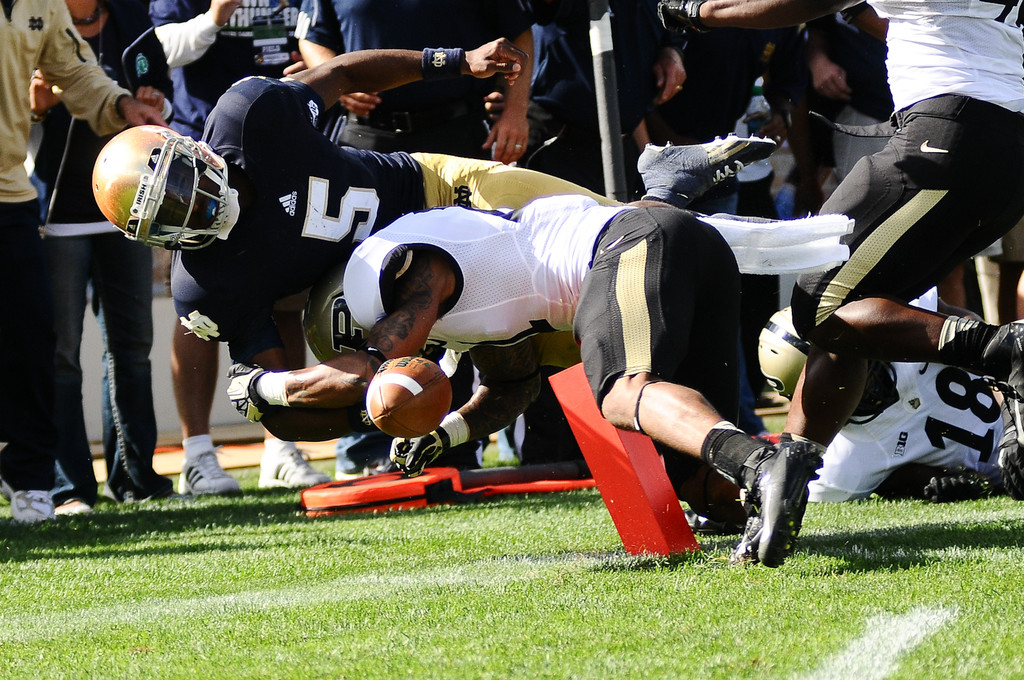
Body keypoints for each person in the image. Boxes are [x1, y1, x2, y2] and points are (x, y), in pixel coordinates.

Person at [222, 197, 853, 565]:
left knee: (622, 392)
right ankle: (749, 493)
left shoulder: (390, 264)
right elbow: (512, 384)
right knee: (691, 476)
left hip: (631, 241)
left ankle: (762, 463)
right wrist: (447, 433)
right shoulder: (455, 305)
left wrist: (265, 388)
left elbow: (366, 371)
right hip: (683, 245)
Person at [658, 0, 1024, 566]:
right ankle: (788, 477)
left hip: (952, 126)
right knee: (860, 316)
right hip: (1004, 144)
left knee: (821, 302)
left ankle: (1003, 350)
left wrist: (704, 11)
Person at [295, 0, 536, 475]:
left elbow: (519, 36)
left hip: (455, 136)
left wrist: (515, 110)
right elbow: (312, 36)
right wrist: (337, 80)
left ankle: (453, 442)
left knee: (463, 286)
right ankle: (364, 449)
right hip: (368, 143)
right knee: (359, 295)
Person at [150, 0, 324, 494]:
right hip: (204, 160)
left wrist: (309, 67)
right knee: (199, 308)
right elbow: (162, 49)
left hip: (286, 149)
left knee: (289, 299)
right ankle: (197, 453)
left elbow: (315, 36)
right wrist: (217, 14)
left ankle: (281, 444)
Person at [1, 0, 164, 523]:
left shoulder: (43, 6)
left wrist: (121, 106)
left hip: (11, 194)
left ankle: (29, 479)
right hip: (45, 204)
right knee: (51, 349)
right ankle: (48, 478)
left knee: (34, 341)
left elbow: (74, 69)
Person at [758, 291, 1012, 503]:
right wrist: (919, 479)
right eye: (830, 386)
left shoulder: (896, 334)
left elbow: (965, 326)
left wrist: (1007, 394)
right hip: (1007, 471)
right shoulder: (843, 464)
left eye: (843, 366)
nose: (867, 386)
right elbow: (885, 476)